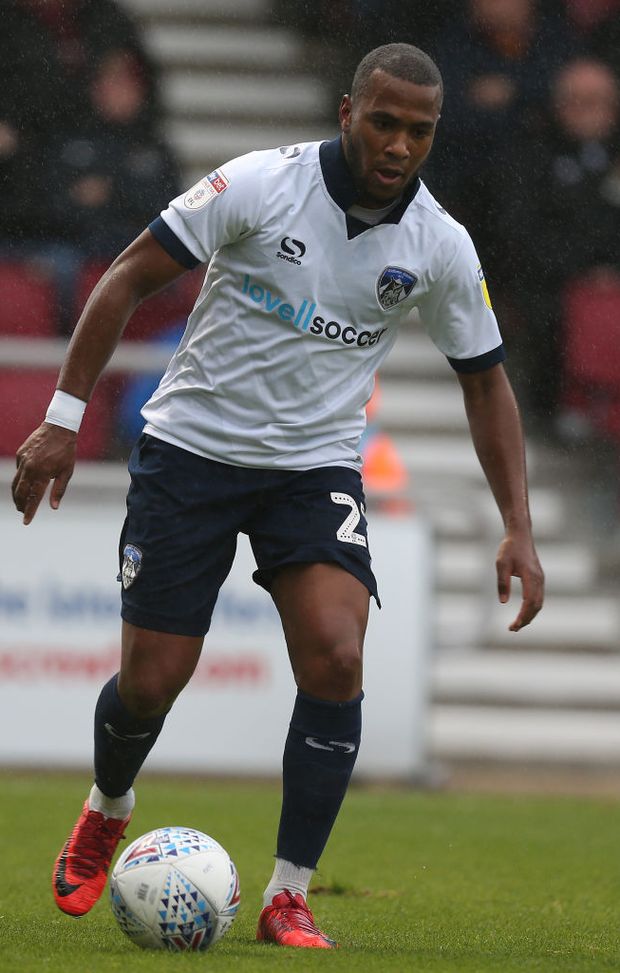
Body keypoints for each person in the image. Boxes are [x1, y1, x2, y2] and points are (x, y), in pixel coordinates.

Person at [11, 43, 544, 949]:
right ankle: (107, 806)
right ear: (348, 110)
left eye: (419, 131)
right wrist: (62, 416)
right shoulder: (258, 185)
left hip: (314, 467)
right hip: (192, 452)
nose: (399, 144)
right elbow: (129, 273)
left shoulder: (439, 244)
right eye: (385, 121)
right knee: (150, 683)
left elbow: (485, 380)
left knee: (337, 657)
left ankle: (287, 892)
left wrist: (519, 527)